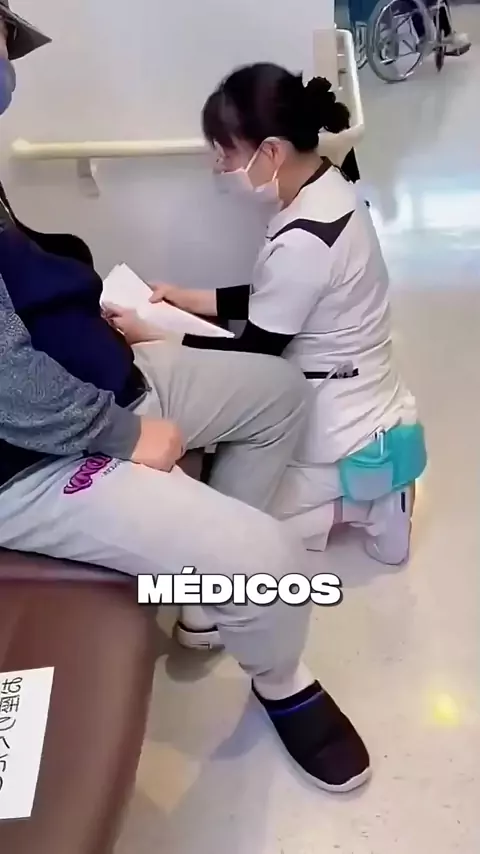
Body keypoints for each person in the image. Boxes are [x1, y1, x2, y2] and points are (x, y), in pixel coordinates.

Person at [0, 5, 372, 793]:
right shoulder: (313, 212)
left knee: (278, 394)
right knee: (268, 558)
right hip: (36, 449)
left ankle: (202, 603)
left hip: (103, 374)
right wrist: (121, 433)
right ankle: (280, 677)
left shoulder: (311, 220)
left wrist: (110, 320)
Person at [110, 63, 427, 573]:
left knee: (237, 521)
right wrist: (188, 299)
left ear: (272, 152)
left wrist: (157, 337)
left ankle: (371, 504)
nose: (219, 166)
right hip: (354, 384)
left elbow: (253, 358)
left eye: (227, 153)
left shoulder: (305, 239)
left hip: (333, 417)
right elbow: (277, 298)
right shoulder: (330, 183)